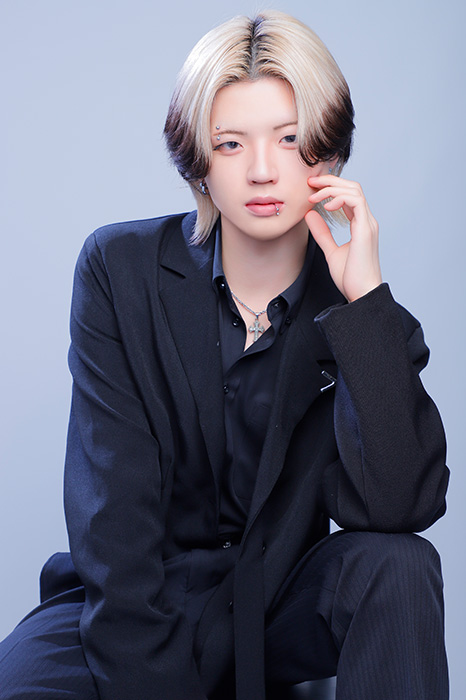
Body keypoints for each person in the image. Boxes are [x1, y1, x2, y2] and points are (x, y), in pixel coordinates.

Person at [0, 9, 449, 700]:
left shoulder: (366, 321)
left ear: (328, 154)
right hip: (132, 599)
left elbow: (402, 507)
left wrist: (363, 301)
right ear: (199, 162)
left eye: (290, 139)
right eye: (231, 144)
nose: (263, 171)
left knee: (400, 563)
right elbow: (111, 515)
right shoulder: (119, 270)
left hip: (275, 603)